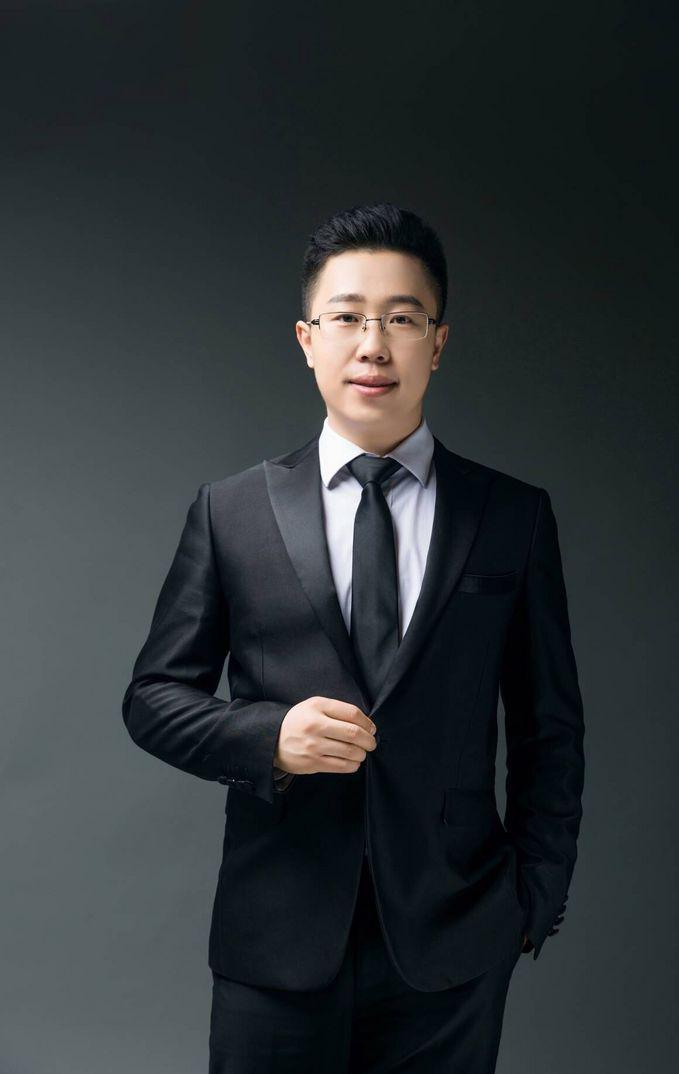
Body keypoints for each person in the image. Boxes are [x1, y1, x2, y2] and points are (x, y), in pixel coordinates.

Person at [122, 202, 585, 1072]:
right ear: (308, 339)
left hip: (455, 942)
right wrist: (269, 738)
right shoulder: (231, 511)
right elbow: (152, 699)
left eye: (402, 320)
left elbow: (549, 728)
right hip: (275, 937)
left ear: (437, 343)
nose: (373, 345)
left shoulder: (511, 516)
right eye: (347, 318)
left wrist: (532, 901)